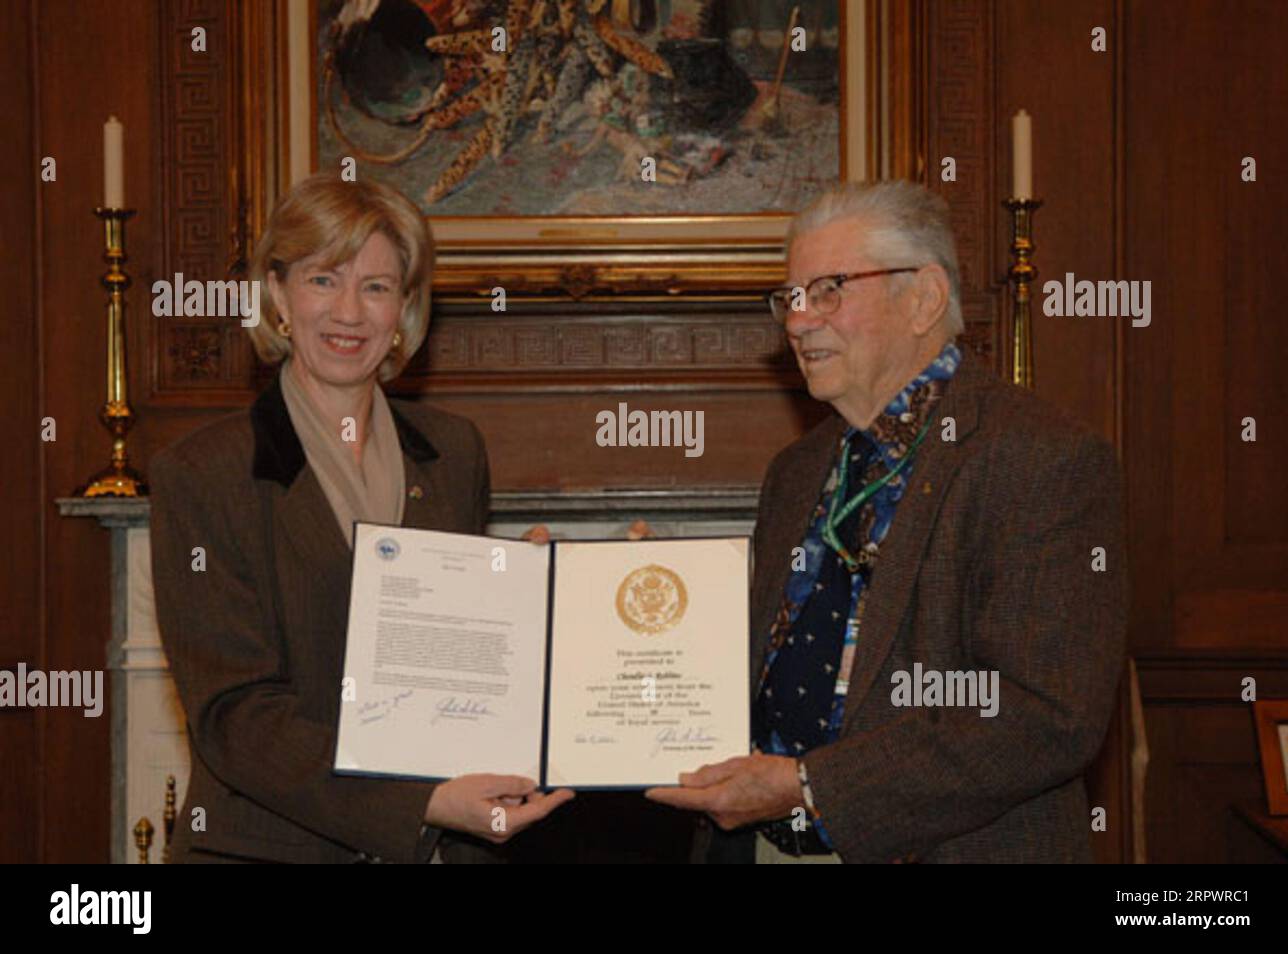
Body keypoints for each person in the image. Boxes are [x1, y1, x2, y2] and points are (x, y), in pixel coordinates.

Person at [647, 180, 1127, 863]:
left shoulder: (1042, 458)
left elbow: (1044, 715)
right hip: (760, 846)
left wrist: (811, 786)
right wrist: (650, 599)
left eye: (830, 290)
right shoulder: (797, 469)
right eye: (791, 297)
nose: (798, 320)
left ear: (924, 298)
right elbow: (761, 659)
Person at [149, 173, 572, 863]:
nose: (349, 312)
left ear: (403, 307)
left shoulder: (452, 452)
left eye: (376, 287)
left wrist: (537, 605)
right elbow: (235, 717)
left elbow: (457, 670)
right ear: (279, 293)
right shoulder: (204, 473)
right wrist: (420, 804)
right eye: (323, 280)